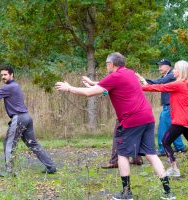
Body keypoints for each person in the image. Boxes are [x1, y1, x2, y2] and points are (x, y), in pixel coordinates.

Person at [55, 52, 175, 200]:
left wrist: (69, 88)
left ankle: (126, 193)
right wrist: (94, 83)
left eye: (106, 63)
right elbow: (109, 86)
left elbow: (89, 94)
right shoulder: (128, 73)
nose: (106, 66)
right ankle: (168, 192)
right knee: (151, 154)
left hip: (132, 120)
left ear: (112, 64)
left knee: (122, 154)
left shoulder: (115, 76)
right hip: (147, 117)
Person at [81, 77, 143, 169]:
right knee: (133, 136)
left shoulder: (118, 82)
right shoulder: (129, 83)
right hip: (138, 113)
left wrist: (91, 86)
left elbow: (106, 88)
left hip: (125, 115)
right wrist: (91, 85)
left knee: (117, 137)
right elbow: (106, 90)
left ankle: (114, 161)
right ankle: (137, 158)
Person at [136, 59, 186, 156]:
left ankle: (162, 149)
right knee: (173, 127)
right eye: (159, 66)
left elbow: (158, 82)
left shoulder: (171, 75)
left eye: (161, 66)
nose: (159, 68)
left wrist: (142, 79)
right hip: (170, 106)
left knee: (163, 127)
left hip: (170, 106)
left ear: (168, 66)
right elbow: (158, 82)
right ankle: (180, 147)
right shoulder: (167, 75)